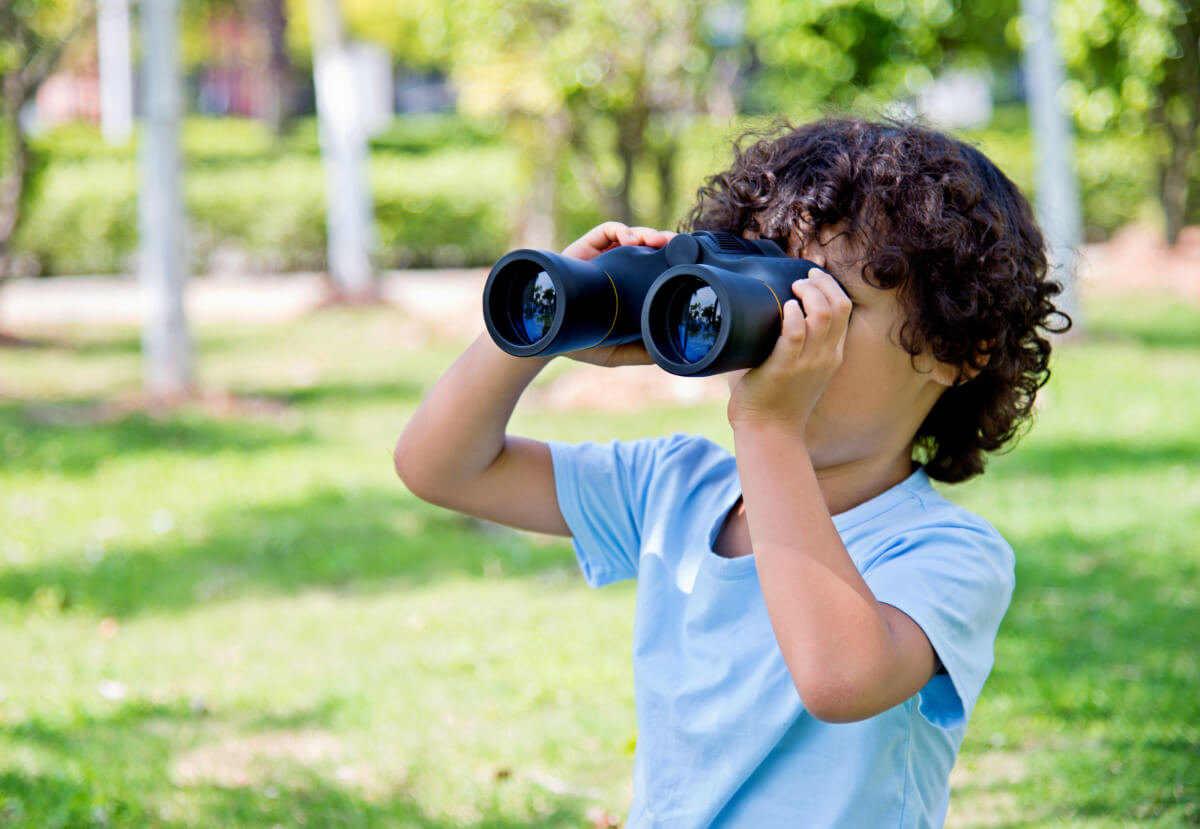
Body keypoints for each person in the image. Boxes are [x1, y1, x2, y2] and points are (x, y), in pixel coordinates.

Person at [393, 116, 1070, 827]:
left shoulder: (946, 552)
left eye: (822, 301)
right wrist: (557, 316)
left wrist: (770, 426)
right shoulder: (674, 487)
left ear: (959, 349)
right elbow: (440, 465)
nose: (782, 328)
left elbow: (838, 678)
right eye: (760, 283)